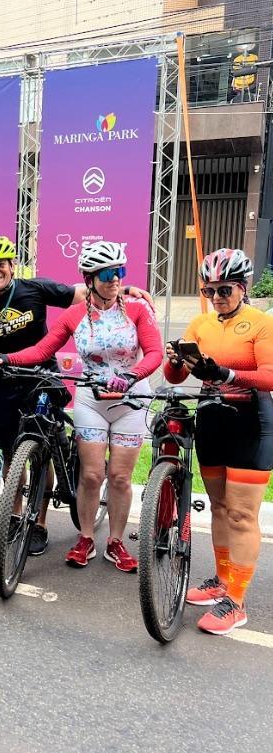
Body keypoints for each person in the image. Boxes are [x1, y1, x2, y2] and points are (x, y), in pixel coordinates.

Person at [0, 234, 154, 556]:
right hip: (4, 383)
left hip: (42, 379)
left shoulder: (34, 288)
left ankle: (40, 522)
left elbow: (83, 292)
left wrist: (124, 289)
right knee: (10, 454)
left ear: (11, 266)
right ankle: (15, 516)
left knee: (39, 450)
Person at [165, 248, 273, 635]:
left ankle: (237, 601)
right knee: (220, 506)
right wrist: (176, 360)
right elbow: (176, 377)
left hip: (250, 420)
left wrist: (226, 373)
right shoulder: (201, 324)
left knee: (243, 514)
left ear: (242, 288)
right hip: (211, 415)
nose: (217, 298)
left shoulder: (260, 323)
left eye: (224, 289)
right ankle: (222, 581)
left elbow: (269, 376)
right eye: (209, 291)